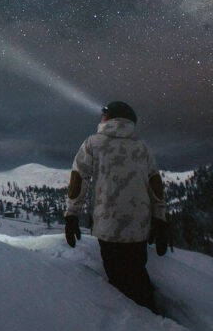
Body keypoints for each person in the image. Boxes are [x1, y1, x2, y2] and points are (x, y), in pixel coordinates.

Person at [64, 101, 168, 313]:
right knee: (137, 270)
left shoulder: (93, 143)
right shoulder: (141, 146)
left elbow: (78, 179)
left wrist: (71, 214)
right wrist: (160, 218)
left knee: (117, 277)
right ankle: (150, 313)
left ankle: (137, 324)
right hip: (139, 227)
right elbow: (155, 184)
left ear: (109, 117)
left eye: (104, 114)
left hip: (108, 225)